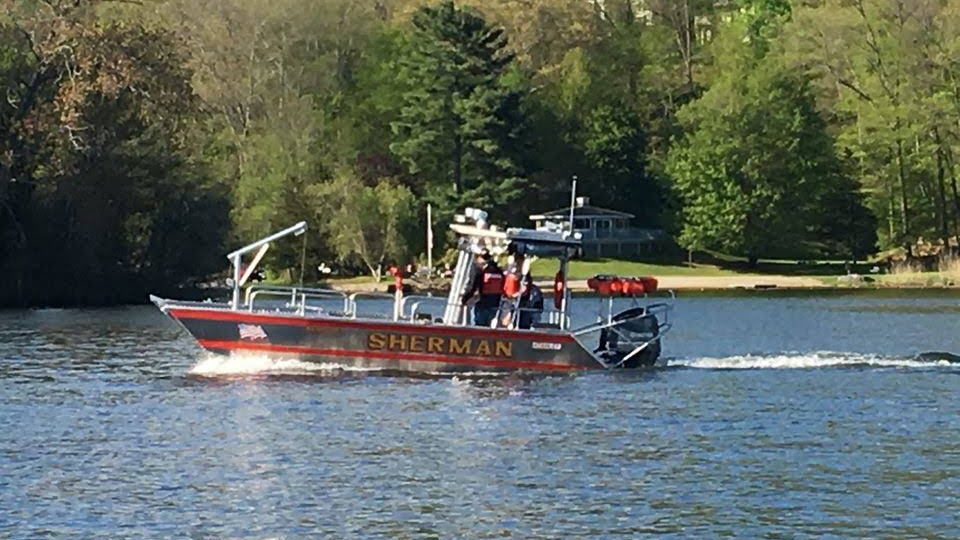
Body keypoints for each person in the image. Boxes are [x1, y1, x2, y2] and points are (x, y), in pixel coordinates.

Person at [461, 249, 504, 327]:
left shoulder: (480, 270)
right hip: (495, 305)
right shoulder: (499, 272)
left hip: (482, 304)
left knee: (477, 325)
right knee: (490, 327)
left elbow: (472, 286)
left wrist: (464, 299)